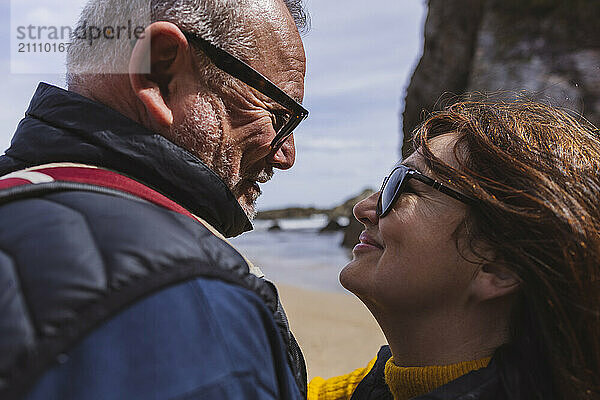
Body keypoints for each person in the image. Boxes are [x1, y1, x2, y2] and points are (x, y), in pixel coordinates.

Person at [0, 0, 309, 399]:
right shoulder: (188, 300)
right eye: (278, 113)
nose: (287, 155)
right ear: (160, 73)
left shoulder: (15, 193)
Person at [309, 100, 600, 399]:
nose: (363, 208)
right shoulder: (374, 387)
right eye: (388, 181)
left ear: (499, 268)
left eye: (404, 186)